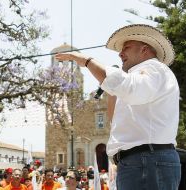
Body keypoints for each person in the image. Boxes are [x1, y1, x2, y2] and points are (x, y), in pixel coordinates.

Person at [55, 24, 181, 190]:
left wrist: (87, 61)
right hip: (139, 162)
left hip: (146, 161)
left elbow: (127, 87)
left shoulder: (153, 69)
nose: (120, 54)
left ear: (144, 50)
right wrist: (111, 88)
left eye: (126, 47)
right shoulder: (139, 78)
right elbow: (115, 120)